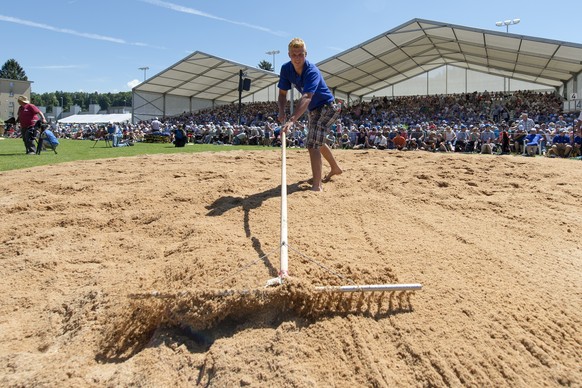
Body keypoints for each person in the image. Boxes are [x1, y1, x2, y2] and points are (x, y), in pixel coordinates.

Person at [278, 37, 342, 192]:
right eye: (294, 55)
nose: (297, 58)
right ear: (289, 55)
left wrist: (292, 120)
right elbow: (282, 94)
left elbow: (307, 96)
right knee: (316, 140)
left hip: (328, 106)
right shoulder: (286, 69)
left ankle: (317, 185)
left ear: (305, 54)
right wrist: (281, 111)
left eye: (301, 54)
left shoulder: (311, 70)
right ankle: (335, 168)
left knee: (312, 143)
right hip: (313, 109)